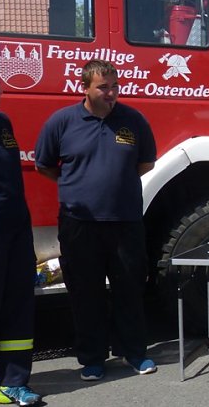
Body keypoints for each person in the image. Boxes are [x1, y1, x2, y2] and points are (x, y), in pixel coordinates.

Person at [35, 59, 157, 381]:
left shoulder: (133, 121)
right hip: (79, 224)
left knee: (129, 289)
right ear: (85, 87)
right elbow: (45, 165)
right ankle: (92, 358)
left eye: (115, 86)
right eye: (104, 87)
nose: (111, 92)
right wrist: (79, 183)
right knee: (85, 293)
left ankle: (134, 353)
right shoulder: (62, 122)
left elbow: (145, 164)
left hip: (125, 221)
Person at [0, 59, 41, 407]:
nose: (0, 92)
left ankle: (13, 384)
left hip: (16, 229)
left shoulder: (2, 124)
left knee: (19, 303)